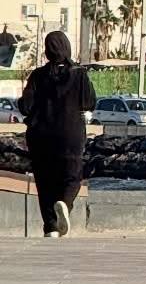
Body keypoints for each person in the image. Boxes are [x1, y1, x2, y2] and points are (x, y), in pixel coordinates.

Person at [18, 31, 96, 238]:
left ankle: (51, 227)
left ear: (47, 50)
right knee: (72, 176)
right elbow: (89, 102)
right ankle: (65, 203)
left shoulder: (38, 75)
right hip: (70, 134)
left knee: (45, 182)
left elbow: (26, 107)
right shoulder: (79, 74)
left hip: (40, 135)